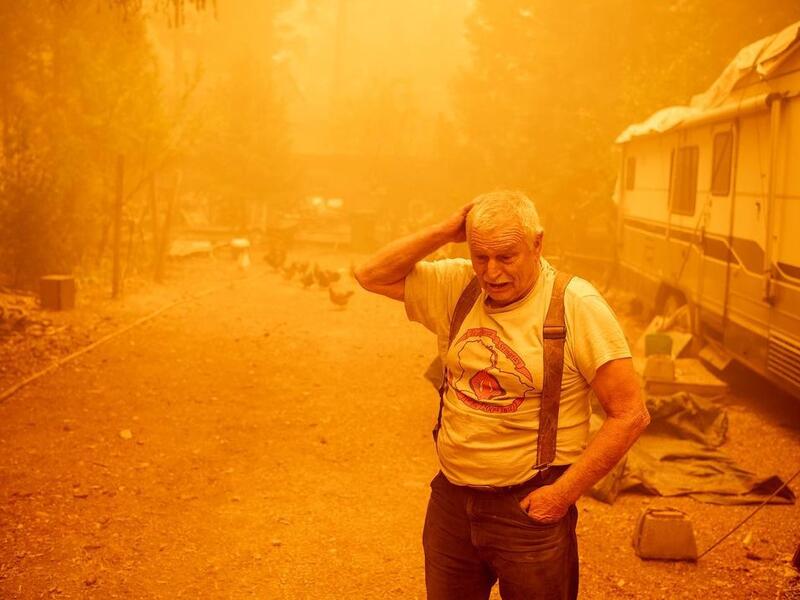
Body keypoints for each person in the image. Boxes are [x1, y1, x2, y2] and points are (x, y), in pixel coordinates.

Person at [354, 190, 650, 600]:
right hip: (452, 504)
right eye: (481, 257)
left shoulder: (575, 304)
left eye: (506, 257)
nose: (491, 272)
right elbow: (370, 274)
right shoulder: (458, 284)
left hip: (530, 509)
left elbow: (630, 413)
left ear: (537, 243)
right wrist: (446, 230)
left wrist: (561, 496)